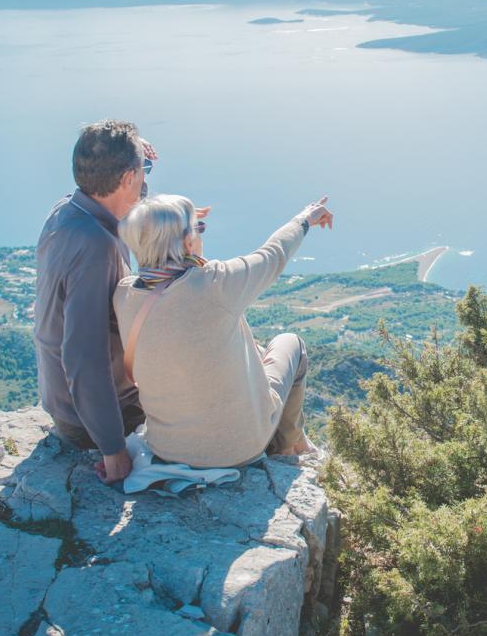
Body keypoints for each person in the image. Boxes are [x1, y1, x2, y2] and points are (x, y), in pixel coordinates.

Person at [114, 194, 335, 469]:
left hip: (168, 448)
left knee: (250, 347)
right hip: (239, 449)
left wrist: (164, 221)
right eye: (199, 229)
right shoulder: (215, 283)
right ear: (187, 242)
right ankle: (290, 446)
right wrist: (306, 217)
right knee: (292, 345)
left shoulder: (123, 295)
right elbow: (274, 253)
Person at [33, 120, 157, 484]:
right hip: (94, 420)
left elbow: (128, 194)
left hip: (66, 402)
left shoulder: (68, 211)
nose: (144, 183)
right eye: (140, 173)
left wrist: (136, 159)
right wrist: (113, 449)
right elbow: (84, 356)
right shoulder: (96, 249)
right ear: (127, 178)